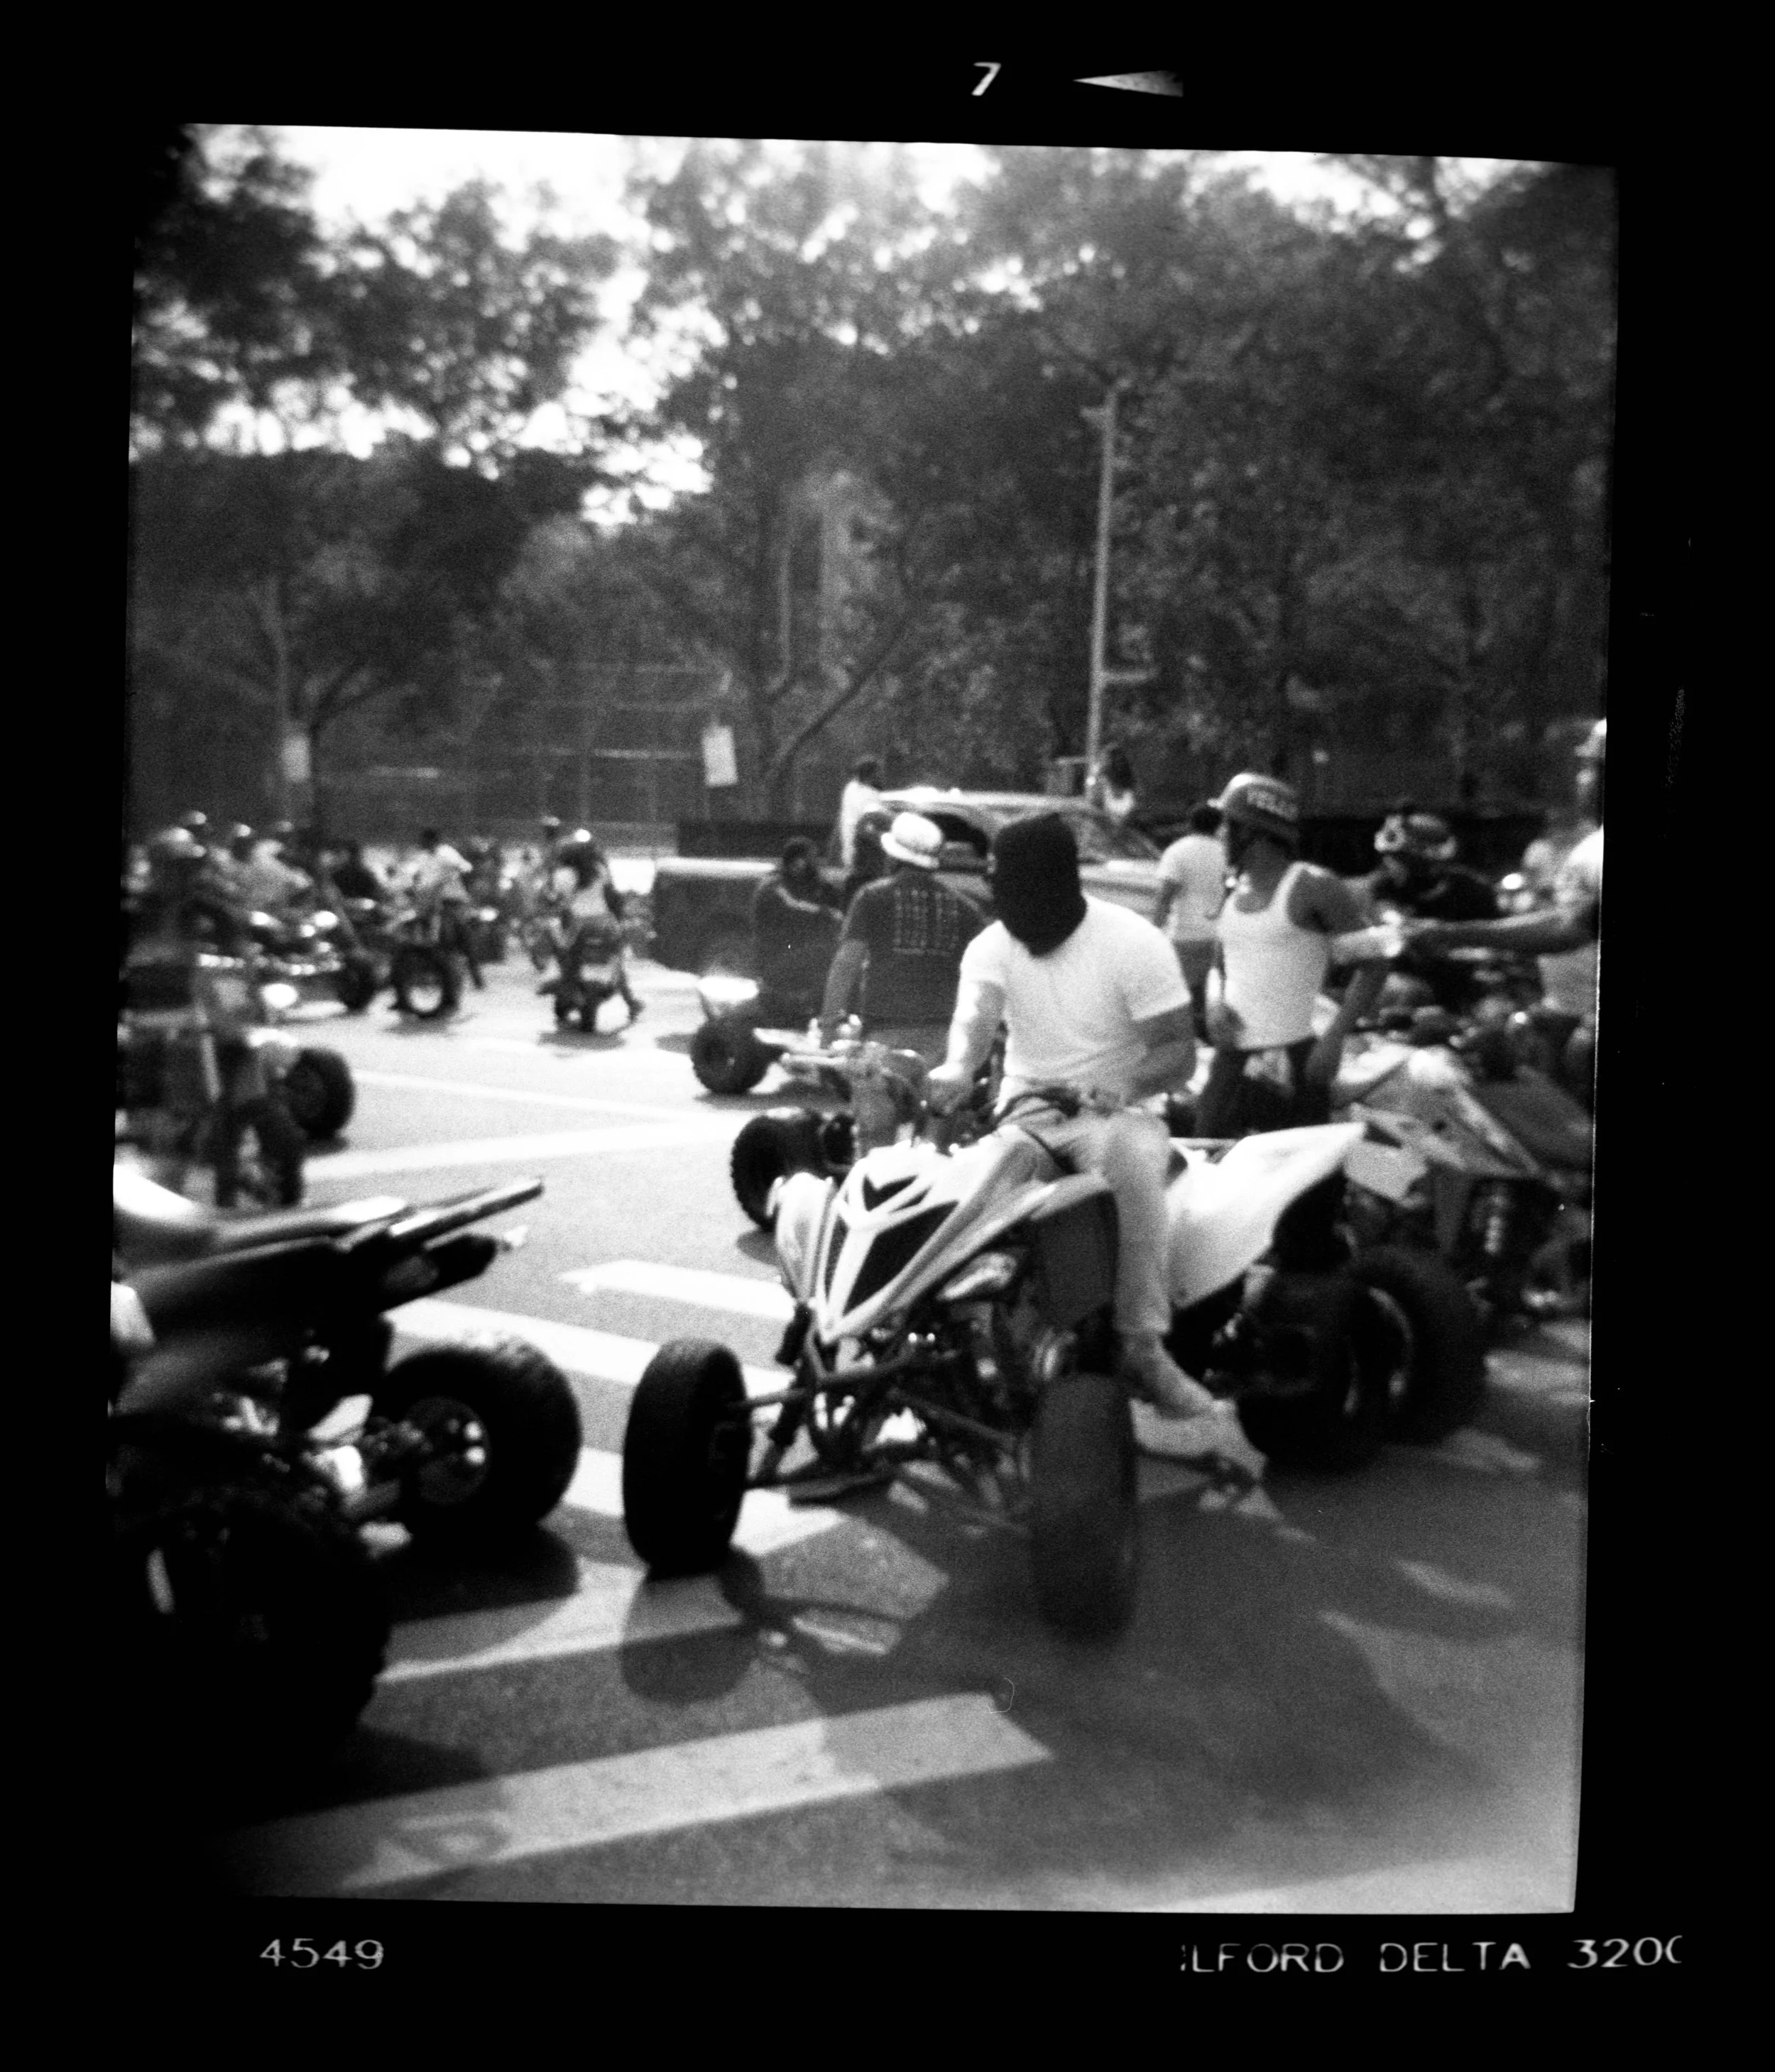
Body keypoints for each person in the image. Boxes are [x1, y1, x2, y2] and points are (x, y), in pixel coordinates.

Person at [924, 813, 1262, 1478]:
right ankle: (964, 1343)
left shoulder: (1132, 942)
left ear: (1056, 885)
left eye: (1016, 891)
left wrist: (1121, 1084)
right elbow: (974, 1021)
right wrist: (957, 1068)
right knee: (974, 1181)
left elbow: (1177, 1050)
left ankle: (1142, 1346)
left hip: (1116, 1112)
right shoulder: (992, 945)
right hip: (1027, 1109)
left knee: (1130, 1163)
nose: (1007, 907)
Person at [1407, 719, 1605, 1104]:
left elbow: (1566, 929)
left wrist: (1449, 934)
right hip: (1568, 1014)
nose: (1582, 780)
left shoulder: (1599, 851)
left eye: (1590, 768)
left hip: (1587, 1023)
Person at [1196, 772, 1389, 1138]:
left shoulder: (1314, 887)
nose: (1219, 834)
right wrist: (1214, 1003)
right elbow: (1219, 963)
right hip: (1232, 1059)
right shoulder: (1233, 885)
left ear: (1253, 832)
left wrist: (1334, 1039)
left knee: (1300, 1167)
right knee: (1210, 1152)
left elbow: (1375, 965)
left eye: (1228, 825)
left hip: (1295, 1059)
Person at [821, 812, 985, 1151]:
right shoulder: (965, 909)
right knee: (936, 1149)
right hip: (943, 1042)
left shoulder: (872, 897)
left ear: (893, 856)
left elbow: (846, 964)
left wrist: (829, 1026)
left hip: (883, 1040)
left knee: (875, 1144)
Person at [1363, 808, 1501, 1013]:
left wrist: (1457, 943)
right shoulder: (1384, 886)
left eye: (1399, 858)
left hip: (1471, 979)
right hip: (1414, 976)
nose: (1389, 865)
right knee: (1398, 991)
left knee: (1496, 1012)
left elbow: (1496, 939)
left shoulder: (1474, 888)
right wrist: (1408, 929)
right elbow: (1390, 917)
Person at [1152, 803, 1228, 1038]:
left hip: (1185, 934)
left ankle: (1187, 1036)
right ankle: (1207, 1032)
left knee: (1182, 991)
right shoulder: (1227, 852)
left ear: (1190, 823)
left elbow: (1165, 897)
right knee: (1211, 988)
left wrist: (1154, 931)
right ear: (1218, 826)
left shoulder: (1178, 851)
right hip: (1219, 934)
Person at [548, 831, 641, 1022]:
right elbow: (610, 895)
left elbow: (557, 900)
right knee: (615, 960)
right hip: (604, 922)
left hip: (578, 924)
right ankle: (631, 1002)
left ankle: (567, 988)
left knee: (565, 955)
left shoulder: (562, 874)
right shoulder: (599, 869)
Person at [751, 838, 841, 1021]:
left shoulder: (805, 884)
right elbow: (794, 905)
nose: (816, 863)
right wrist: (828, 914)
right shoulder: (773, 885)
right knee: (827, 954)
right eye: (812, 858)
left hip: (793, 953)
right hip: (775, 958)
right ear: (799, 862)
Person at [405, 827, 484, 990]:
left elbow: (466, 867)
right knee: (420, 931)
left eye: (425, 841)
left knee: (462, 936)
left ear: (432, 841)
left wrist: (451, 874)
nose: (422, 844)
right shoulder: (422, 857)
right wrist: (413, 887)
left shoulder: (447, 853)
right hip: (428, 902)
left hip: (451, 901)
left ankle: (476, 977)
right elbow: (419, 879)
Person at [836, 757, 885, 870]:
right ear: (872, 774)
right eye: (878, 772)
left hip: (849, 840)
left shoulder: (850, 788)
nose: (881, 775)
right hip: (864, 845)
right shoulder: (873, 796)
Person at [1087, 741, 1138, 826]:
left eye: (1104, 759)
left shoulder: (1129, 786)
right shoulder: (1101, 782)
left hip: (1126, 828)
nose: (1101, 762)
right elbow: (1093, 805)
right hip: (1106, 827)